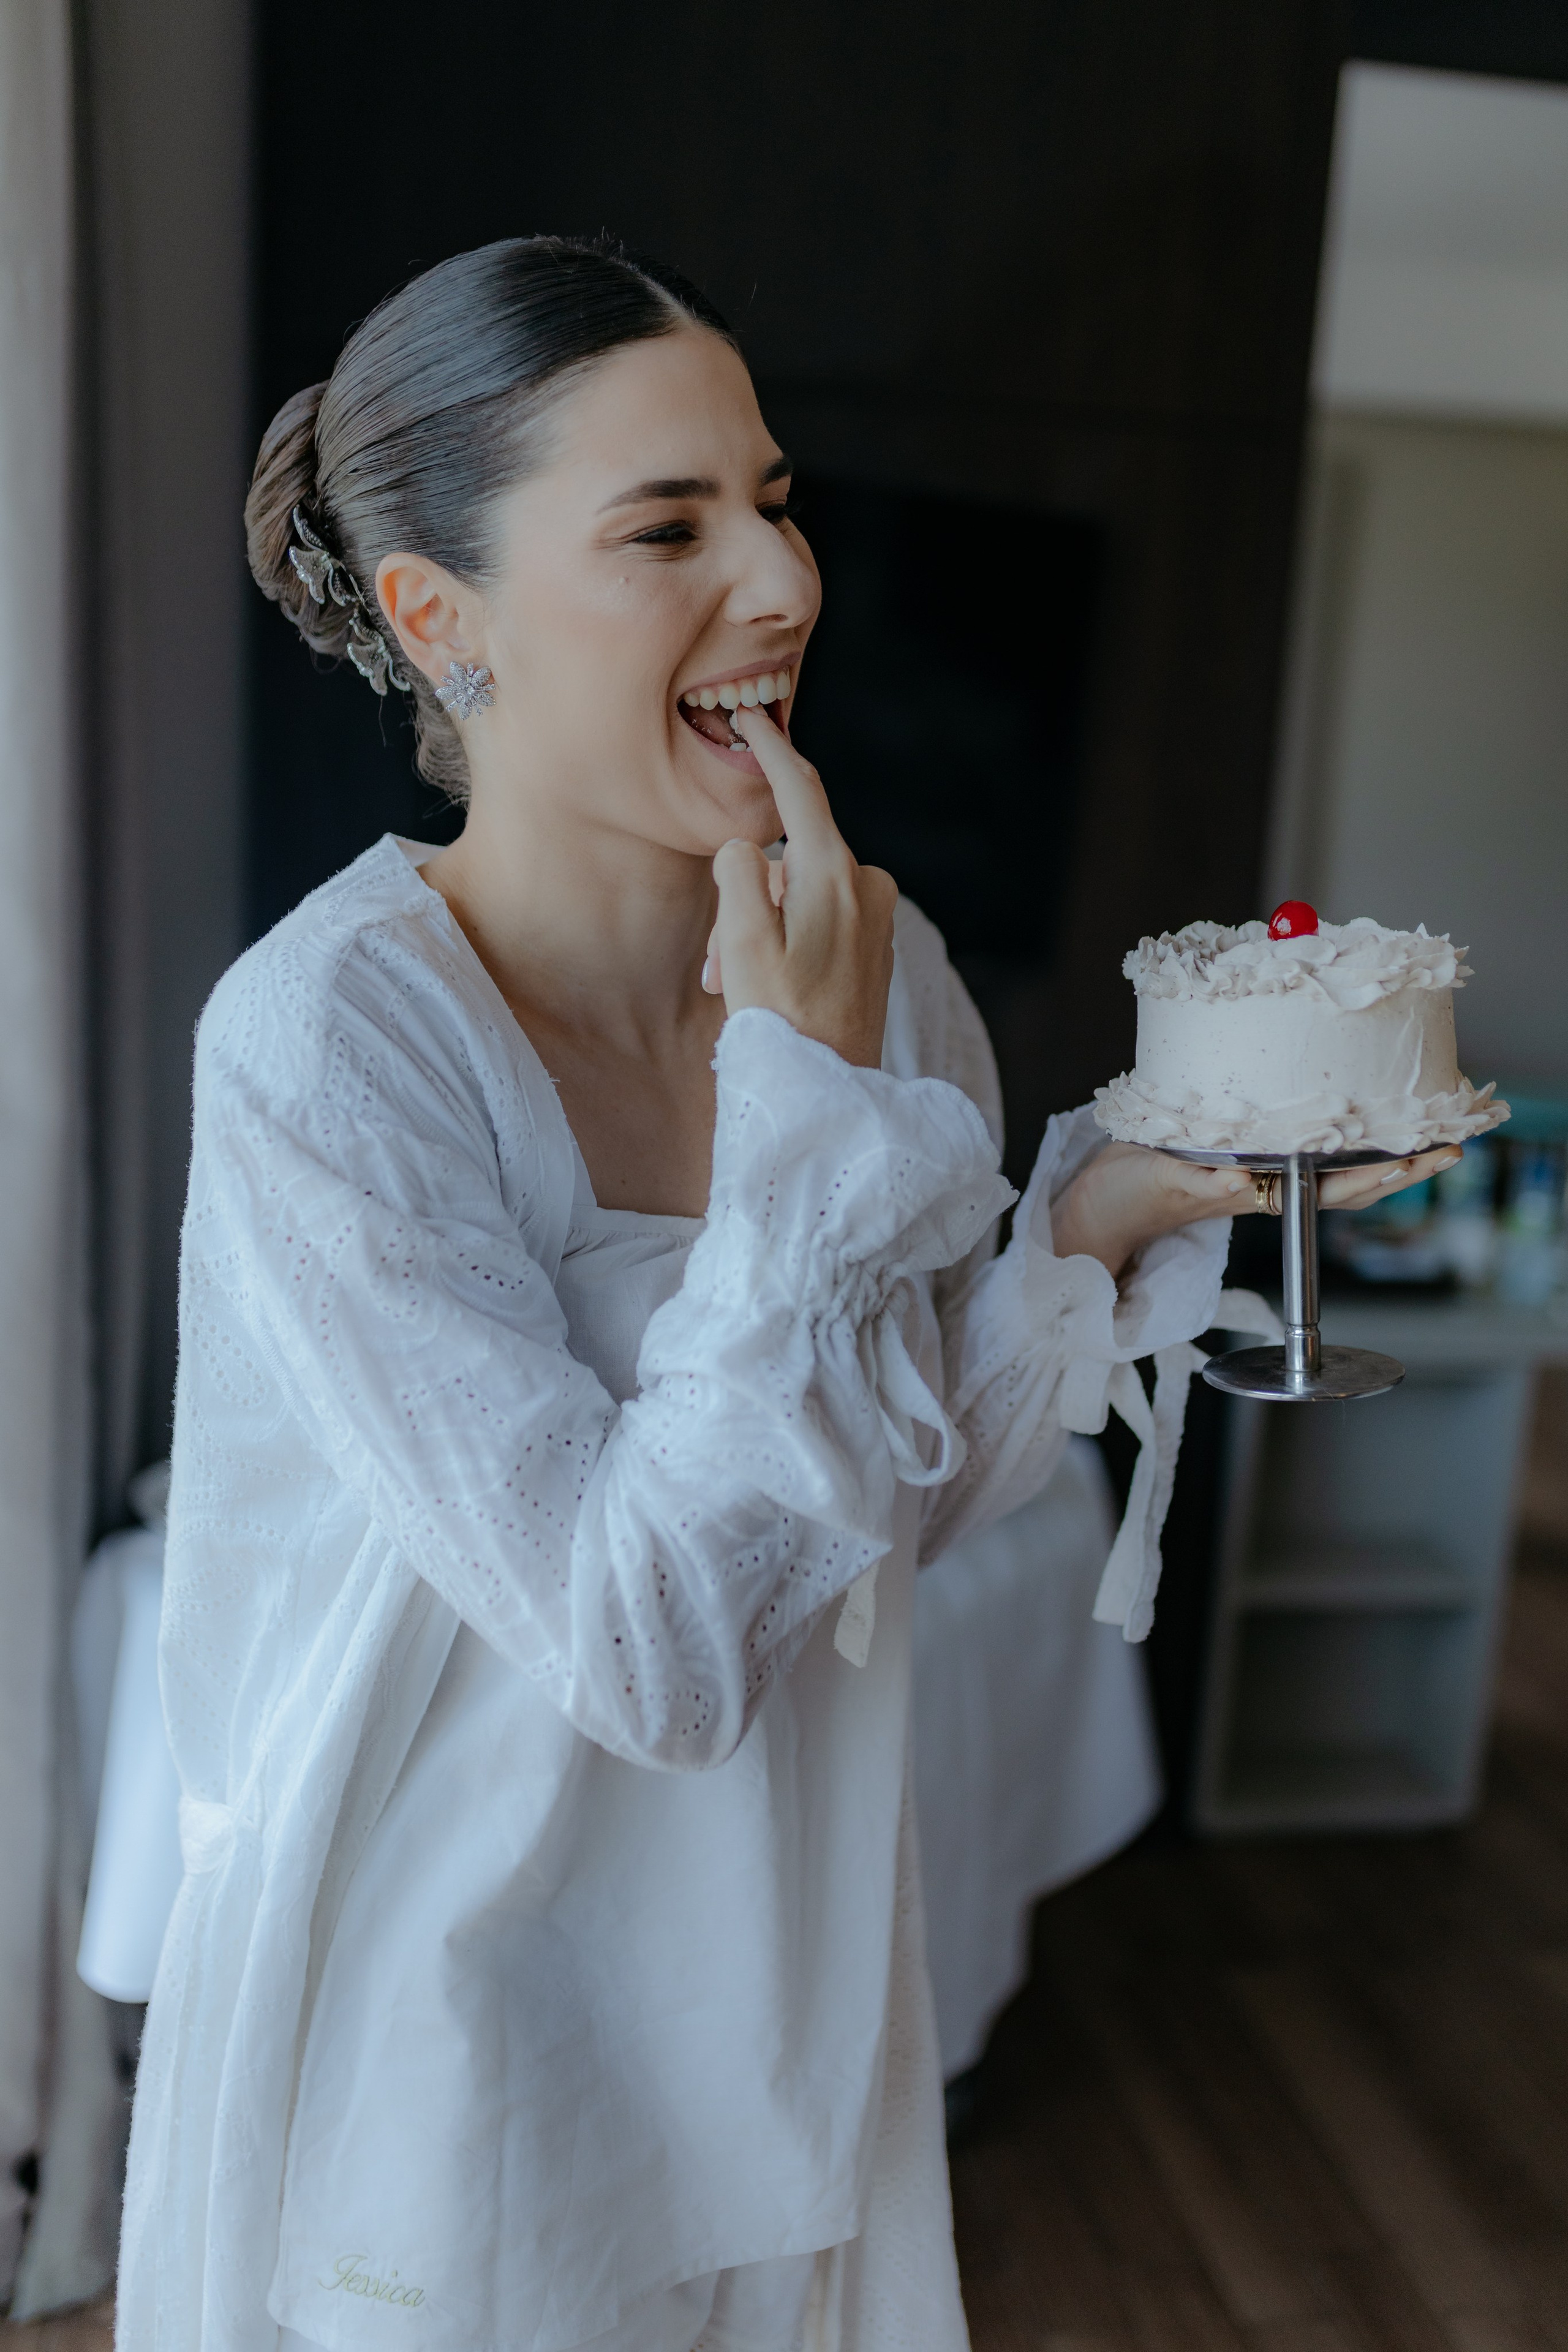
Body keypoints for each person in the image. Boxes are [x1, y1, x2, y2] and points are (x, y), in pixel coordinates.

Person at [118, 236, 1453, 2352]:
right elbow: (646, 1648)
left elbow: (861, 1520)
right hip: (455, 2024)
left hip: (786, 1985)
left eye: (775, 497)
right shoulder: (332, 1042)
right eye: (667, 526)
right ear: (434, 619)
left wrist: (1088, 1225)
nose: (781, 580)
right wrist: (810, 1101)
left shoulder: (884, 977)